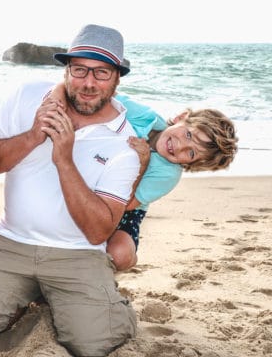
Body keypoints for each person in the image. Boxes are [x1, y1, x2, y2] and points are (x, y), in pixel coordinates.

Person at [0, 24, 140, 356]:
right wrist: (34, 135)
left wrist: (64, 159)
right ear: (67, 69)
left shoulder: (125, 142)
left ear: (117, 79)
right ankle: (33, 295)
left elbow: (97, 232)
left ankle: (77, 299)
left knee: (95, 344)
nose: (89, 82)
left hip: (78, 254)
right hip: (12, 242)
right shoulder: (27, 95)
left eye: (101, 73)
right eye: (79, 70)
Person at [48, 86, 239, 270]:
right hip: (95, 180)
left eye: (191, 153)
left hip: (126, 211)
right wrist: (58, 94)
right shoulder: (146, 117)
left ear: (192, 164)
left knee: (120, 254)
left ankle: (111, 268)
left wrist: (143, 162)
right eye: (188, 134)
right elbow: (102, 95)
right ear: (181, 118)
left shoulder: (168, 174)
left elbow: (128, 204)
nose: (180, 147)